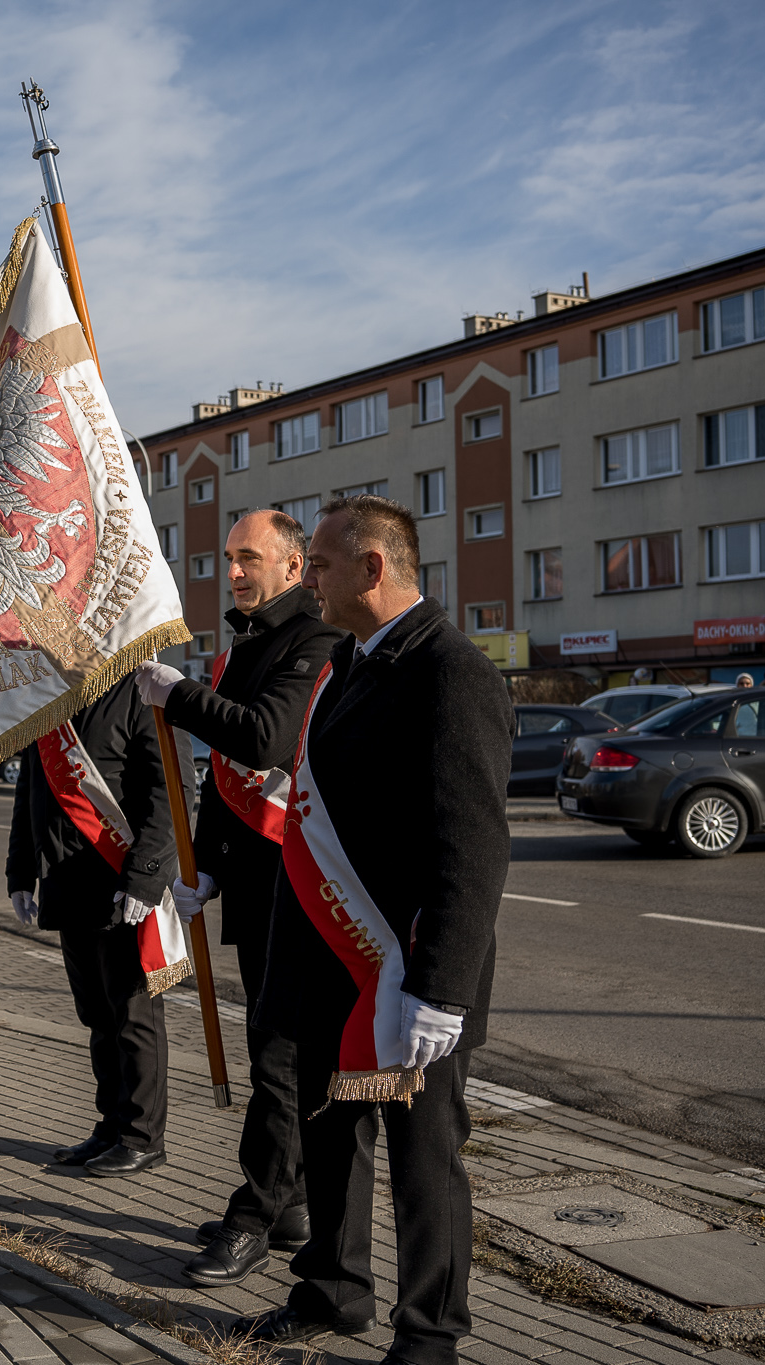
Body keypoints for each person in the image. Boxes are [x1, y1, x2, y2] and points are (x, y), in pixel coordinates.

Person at [229, 495, 512, 1365]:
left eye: (317, 562)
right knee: (331, 1133)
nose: (307, 575)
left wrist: (442, 987)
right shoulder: (344, 663)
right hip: (333, 964)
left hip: (407, 970)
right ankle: (333, 1289)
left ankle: (430, 1335)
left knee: (425, 1160)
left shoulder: (450, 669)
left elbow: (472, 845)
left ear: (373, 567)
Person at [133, 509, 344, 1287]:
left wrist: (179, 695)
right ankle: (288, 1207)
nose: (234, 572)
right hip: (256, 891)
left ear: (294, 567)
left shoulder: (315, 643)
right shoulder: (247, 646)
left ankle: (254, 1216)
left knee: (283, 1061)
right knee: (269, 1054)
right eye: (228, 559)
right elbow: (230, 780)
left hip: (305, 891)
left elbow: (262, 739)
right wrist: (210, 867)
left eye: (249, 558)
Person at [7, 683, 187, 1178]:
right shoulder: (50, 697)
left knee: (132, 1017)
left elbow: (169, 793)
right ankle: (110, 1125)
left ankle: (142, 1136)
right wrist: (19, 871)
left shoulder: (140, 692)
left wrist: (146, 878)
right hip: (67, 883)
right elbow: (31, 789)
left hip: (120, 885)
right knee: (98, 1017)